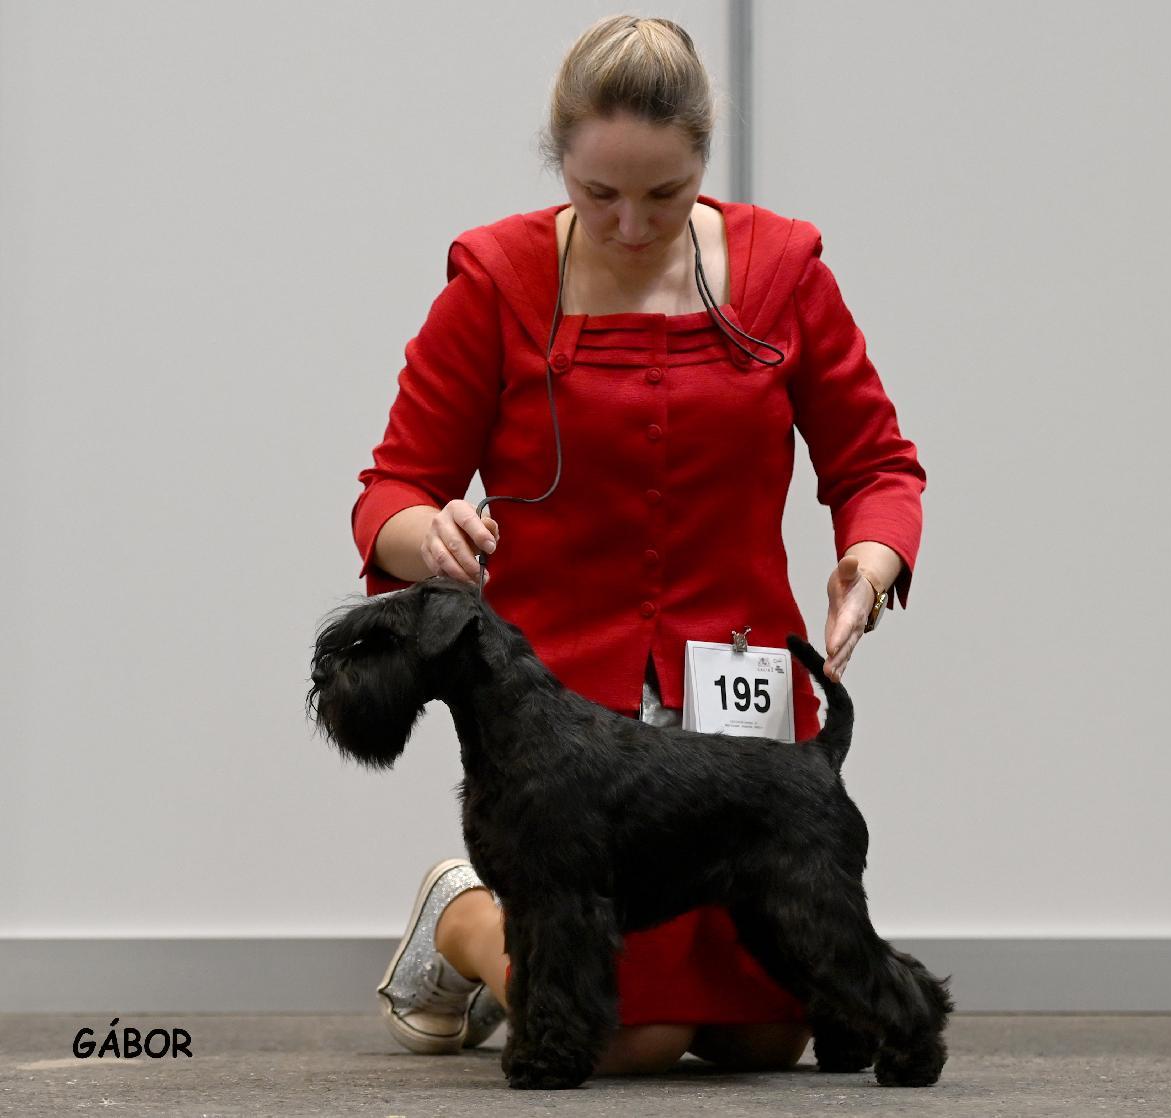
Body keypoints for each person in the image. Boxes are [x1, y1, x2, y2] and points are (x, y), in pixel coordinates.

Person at [351, 14, 926, 1075]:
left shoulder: (784, 272)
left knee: (769, 1037)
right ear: (558, 162)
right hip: (566, 712)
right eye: (597, 193)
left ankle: (507, 932)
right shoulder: (494, 281)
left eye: (664, 194)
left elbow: (878, 467)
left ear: (704, 157)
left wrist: (872, 560)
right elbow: (389, 490)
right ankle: (462, 917)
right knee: (629, 1041)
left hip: (734, 704)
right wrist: (427, 530)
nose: (629, 223)